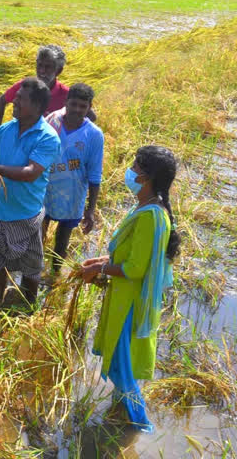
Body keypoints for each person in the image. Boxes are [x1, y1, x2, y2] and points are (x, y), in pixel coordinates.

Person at [80, 146, 179, 432]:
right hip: (124, 296)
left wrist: (98, 270)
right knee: (121, 360)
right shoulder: (145, 207)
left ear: (146, 177)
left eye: (135, 167)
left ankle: (138, 426)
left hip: (131, 304)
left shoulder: (150, 216)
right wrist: (101, 261)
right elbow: (132, 255)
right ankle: (119, 412)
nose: (130, 172)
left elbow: (136, 269)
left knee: (123, 366)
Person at [0, 77, 61, 305]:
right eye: (15, 98)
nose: (13, 102)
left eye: (20, 99)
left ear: (36, 106)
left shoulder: (47, 137)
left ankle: (27, 306)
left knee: (31, 267)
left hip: (25, 214)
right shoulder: (6, 129)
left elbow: (30, 173)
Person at [42, 83, 104, 275]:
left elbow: (95, 173)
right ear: (66, 102)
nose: (77, 110)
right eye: (74, 104)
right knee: (37, 231)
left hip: (72, 194)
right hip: (45, 189)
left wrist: (91, 210)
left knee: (62, 238)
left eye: (83, 106)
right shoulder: (52, 121)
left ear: (89, 107)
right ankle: (33, 272)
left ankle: (54, 273)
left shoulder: (94, 134)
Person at [0, 45, 96, 128]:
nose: (42, 71)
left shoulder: (66, 94)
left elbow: (91, 116)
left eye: (48, 67)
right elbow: (1, 101)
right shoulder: (24, 87)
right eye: (39, 65)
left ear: (59, 71)